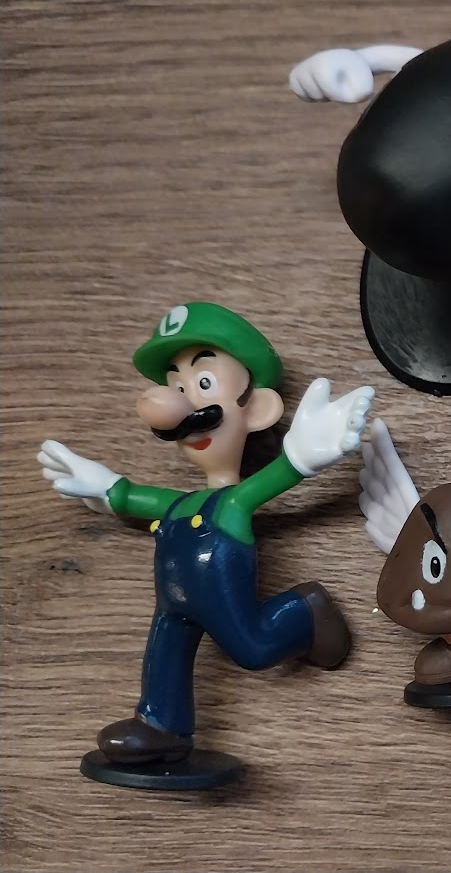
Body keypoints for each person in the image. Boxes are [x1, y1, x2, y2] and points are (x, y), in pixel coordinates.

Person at [38, 302, 374, 765]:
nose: (180, 407)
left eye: (201, 385)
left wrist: (298, 458)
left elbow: (270, 481)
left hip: (217, 590)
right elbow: (135, 497)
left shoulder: (232, 503)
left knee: (254, 650)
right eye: (177, 388)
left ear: (256, 409)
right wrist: (105, 485)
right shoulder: (180, 503)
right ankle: (162, 726)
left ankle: (305, 612)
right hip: (173, 601)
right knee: (165, 655)